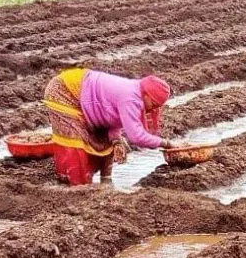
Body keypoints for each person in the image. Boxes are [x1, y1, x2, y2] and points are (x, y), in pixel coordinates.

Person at [43, 68, 177, 186]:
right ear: (147, 94)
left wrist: (116, 140)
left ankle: (106, 181)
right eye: (154, 104)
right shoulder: (131, 97)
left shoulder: (135, 91)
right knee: (75, 141)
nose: (153, 109)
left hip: (86, 98)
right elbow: (136, 136)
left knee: (107, 140)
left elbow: (111, 115)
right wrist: (166, 143)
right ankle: (78, 185)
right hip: (65, 91)